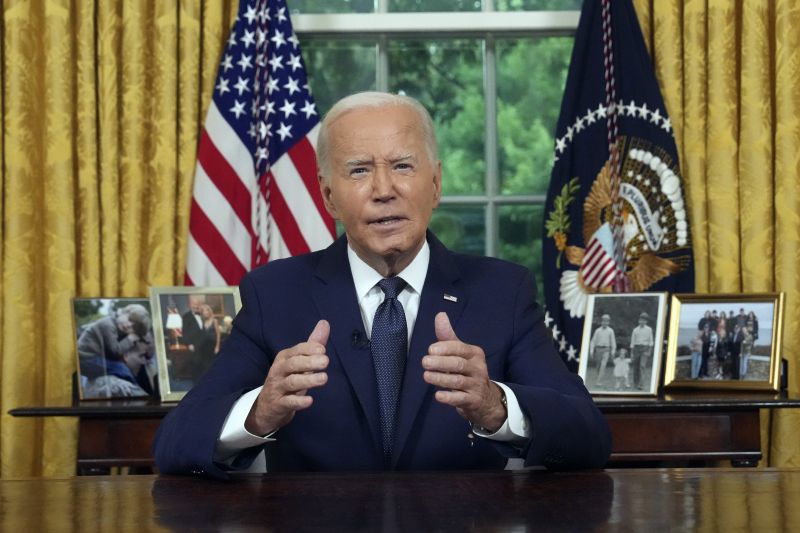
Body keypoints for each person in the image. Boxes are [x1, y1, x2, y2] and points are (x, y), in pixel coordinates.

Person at [153, 92, 611, 478]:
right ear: (328, 196)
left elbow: (590, 438)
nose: (384, 189)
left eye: (403, 166)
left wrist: (496, 406)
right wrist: (259, 412)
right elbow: (174, 444)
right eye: (358, 170)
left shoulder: (502, 291)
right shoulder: (273, 294)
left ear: (436, 183)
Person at [589, 314, 616, 385]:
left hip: (606, 350)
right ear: (601, 321)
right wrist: (591, 351)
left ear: (608, 322)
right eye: (603, 321)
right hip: (598, 349)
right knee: (598, 365)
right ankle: (598, 377)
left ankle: (599, 381)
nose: (605, 323)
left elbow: (613, 342)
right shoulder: (597, 331)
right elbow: (593, 341)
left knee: (603, 366)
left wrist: (613, 352)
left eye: (606, 321)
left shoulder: (610, 331)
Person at [629, 312, 654, 389]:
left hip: (645, 348)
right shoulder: (635, 330)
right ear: (638, 320)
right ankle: (635, 383)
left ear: (646, 321)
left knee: (642, 366)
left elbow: (651, 341)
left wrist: (649, 351)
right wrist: (632, 353)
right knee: (636, 367)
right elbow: (632, 342)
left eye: (644, 320)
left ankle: (641, 384)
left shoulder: (649, 329)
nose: (642, 322)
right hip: (636, 349)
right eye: (641, 320)